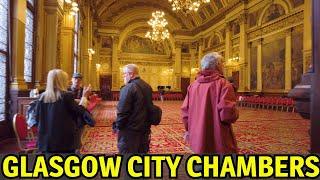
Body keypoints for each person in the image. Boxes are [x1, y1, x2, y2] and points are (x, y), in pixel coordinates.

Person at [181, 52, 239, 154]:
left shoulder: (193, 86)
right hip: (219, 137)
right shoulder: (224, 85)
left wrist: (189, 129)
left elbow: (185, 114)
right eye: (222, 64)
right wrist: (236, 112)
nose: (223, 66)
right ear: (218, 65)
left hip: (197, 137)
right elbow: (228, 115)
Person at [33, 69, 95, 153]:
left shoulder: (41, 97)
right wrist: (84, 97)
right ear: (61, 81)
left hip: (46, 141)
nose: (68, 81)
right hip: (64, 140)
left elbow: (36, 119)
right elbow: (80, 111)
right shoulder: (66, 96)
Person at [112, 64, 153, 153]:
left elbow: (122, 111)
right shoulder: (147, 86)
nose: (123, 76)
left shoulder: (128, 88)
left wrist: (117, 126)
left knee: (128, 160)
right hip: (145, 129)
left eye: (124, 74)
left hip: (130, 132)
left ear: (131, 74)